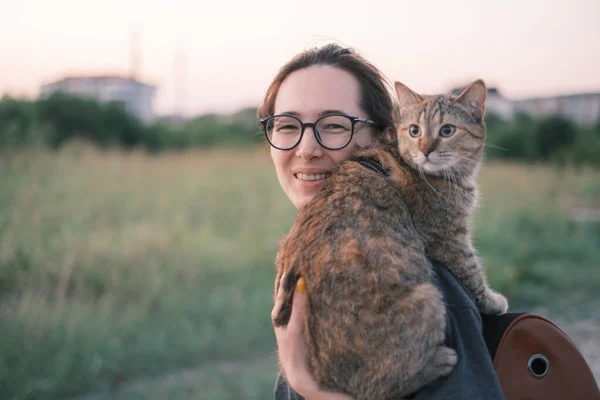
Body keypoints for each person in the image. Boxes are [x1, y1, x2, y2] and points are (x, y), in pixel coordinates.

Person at [258, 43, 505, 400]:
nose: (306, 149)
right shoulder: (319, 262)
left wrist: (308, 386)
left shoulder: (439, 293)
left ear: (386, 136)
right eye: (286, 125)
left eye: (333, 125)